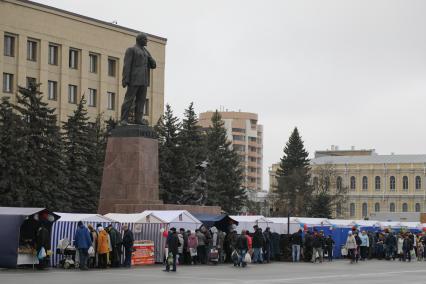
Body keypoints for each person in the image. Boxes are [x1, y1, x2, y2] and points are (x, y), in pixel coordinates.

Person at [121, 33, 156, 125]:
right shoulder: (131, 50)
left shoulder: (146, 52)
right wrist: (125, 79)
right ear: (140, 40)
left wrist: (150, 58)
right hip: (134, 79)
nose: (146, 41)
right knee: (129, 99)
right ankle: (123, 119)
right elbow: (127, 65)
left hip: (144, 80)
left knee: (141, 100)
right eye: (145, 39)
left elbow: (153, 65)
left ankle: (138, 119)